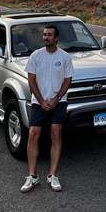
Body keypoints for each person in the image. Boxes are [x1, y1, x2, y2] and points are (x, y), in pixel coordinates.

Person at [20, 24, 74, 193]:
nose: (46, 37)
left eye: (49, 35)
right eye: (44, 35)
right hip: (39, 102)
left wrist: (56, 99)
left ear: (56, 38)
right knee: (33, 134)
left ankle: (52, 175)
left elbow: (67, 81)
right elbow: (31, 81)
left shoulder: (65, 57)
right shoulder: (36, 56)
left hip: (59, 101)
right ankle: (32, 176)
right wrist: (42, 101)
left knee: (56, 132)